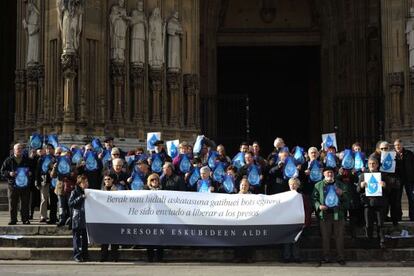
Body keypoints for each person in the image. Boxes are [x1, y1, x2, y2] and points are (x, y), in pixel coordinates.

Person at [312, 166, 349, 266]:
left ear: (334, 174)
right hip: (325, 215)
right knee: (325, 237)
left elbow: (348, 201)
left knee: (339, 237)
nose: (330, 174)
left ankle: (340, 257)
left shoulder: (341, 185)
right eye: (327, 172)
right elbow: (314, 199)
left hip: (338, 215)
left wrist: (342, 194)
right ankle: (326, 257)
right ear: (323, 174)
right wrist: (319, 206)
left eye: (331, 172)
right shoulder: (317, 185)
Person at [357, 156, 388, 248]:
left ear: (377, 165)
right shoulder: (363, 175)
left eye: (373, 163)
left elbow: (389, 190)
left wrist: (385, 185)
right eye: (370, 164)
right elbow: (358, 190)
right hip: (368, 203)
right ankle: (369, 241)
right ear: (367, 165)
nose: (372, 165)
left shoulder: (382, 175)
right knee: (368, 224)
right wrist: (361, 186)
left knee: (380, 223)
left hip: (380, 203)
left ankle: (382, 241)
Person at [1, 143, 32, 225]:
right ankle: (13, 219)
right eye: (18, 149)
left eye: (21, 148)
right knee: (12, 203)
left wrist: (30, 173)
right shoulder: (8, 160)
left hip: (25, 185)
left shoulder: (26, 159)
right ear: (14, 150)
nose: (20, 150)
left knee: (25, 203)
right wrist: (9, 173)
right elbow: (2, 172)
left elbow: (33, 169)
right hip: (13, 186)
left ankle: (25, 219)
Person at [282, 177, 311, 263]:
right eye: (291, 184)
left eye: (295, 184)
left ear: (298, 185)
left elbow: (307, 210)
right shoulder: (284, 196)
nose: (293, 186)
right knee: (286, 240)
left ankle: (296, 257)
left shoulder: (302, 197)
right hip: (286, 221)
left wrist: (306, 222)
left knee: (296, 240)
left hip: (298, 221)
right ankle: (286, 257)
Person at [144, 173, 164, 262]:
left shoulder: (163, 190)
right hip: (149, 216)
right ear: (149, 181)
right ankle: (150, 257)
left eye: (156, 179)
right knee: (149, 237)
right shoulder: (144, 189)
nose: (154, 181)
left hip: (161, 216)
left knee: (160, 237)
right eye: (152, 180)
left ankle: (159, 257)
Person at [68, 175, 89, 262]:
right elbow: (70, 203)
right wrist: (81, 197)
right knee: (76, 238)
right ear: (80, 184)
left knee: (85, 238)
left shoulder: (88, 191)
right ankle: (77, 254)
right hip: (77, 217)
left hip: (86, 217)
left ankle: (85, 254)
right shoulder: (75, 192)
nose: (86, 184)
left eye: (87, 182)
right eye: (84, 182)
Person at [100, 173, 119, 262]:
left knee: (114, 238)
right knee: (104, 238)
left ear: (112, 180)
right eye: (105, 179)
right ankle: (103, 256)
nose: (107, 181)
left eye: (108, 179)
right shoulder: (100, 191)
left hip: (114, 217)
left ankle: (114, 257)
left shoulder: (117, 191)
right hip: (104, 217)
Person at [393, 139, 414, 221]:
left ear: (402, 145)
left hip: (409, 179)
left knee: (412, 198)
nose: (397, 146)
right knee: (397, 199)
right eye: (396, 145)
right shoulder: (391, 155)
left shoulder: (409, 154)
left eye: (399, 145)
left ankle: (412, 216)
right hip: (398, 180)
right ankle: (398, 217)